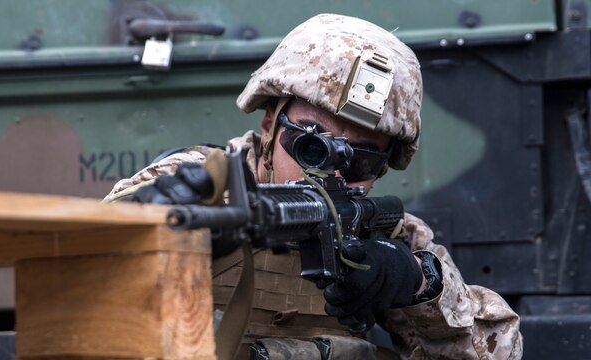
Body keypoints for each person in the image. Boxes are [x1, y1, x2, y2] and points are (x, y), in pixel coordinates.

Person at [105, 14, 522, 360]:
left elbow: (500, 350)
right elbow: (68, 280)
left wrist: (415, 284)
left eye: (361, 159)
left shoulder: (389, 234)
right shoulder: (193, 187)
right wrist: (152, 234)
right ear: (270, 124)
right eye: (310, 145)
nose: (332, 173)